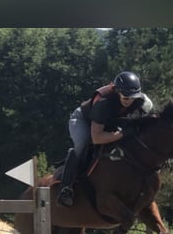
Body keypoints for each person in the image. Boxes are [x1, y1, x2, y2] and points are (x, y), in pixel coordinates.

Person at [56, 71, 154, 206]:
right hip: (84, 121)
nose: (129, 101)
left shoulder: (144, 103)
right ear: (117, 92)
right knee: (83, 143)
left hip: (110, 123)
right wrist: (122, 134)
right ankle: (65, 188)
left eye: (133, 98)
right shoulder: (104, 103)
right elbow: (97, 138)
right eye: (126, 98)